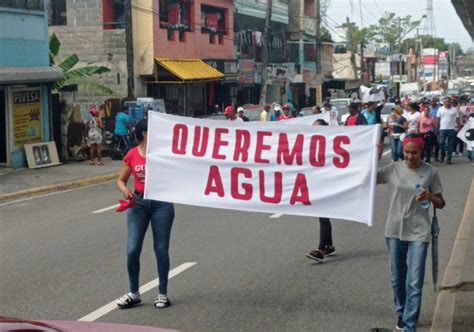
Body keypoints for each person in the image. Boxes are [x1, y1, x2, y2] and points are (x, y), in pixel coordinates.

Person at [377, 135, 445, 331]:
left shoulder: (431, 172)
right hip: (394, 229)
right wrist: (376, 153)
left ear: (421, 152)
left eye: (414, 152)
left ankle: (409, 325)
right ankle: (402, 311)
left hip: (419, 232)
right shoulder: (394, 168)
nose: (410, 156)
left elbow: (441, 203)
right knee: (397, 278)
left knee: (414, 281)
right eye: (407, 152)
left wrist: (430, 196)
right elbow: (370, 178)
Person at [116, 119, 175, 310]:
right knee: (133, 248)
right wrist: (125, 190)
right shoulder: (132, 154)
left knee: (161, 249)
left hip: (162, 204)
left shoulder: (164, 154)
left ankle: (162, 293)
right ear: (145, 134)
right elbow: (121, 179)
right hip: (138, 204)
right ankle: (134, 293)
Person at [306, 118, 336, 262]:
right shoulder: (311, 145)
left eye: (317, 128)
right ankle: (328, 245)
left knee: (323, 215)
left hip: (328, 183)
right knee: (323, 216)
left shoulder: (330, 145)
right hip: (317, 184)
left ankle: (321, 248)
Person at [437, 97, 460, 164]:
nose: (447, 103)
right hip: (442, 129)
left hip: (451, 129)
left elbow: (457, 119)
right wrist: (436, 128)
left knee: (451, 144)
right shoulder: (440, 109)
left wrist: (458, 128)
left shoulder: (454, 110)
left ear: (450, 102)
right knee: (441, 143)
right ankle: (443, 155)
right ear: (444, 103)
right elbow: (438, 119)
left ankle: (449, 158)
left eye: (448, 101)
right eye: (446, 101)